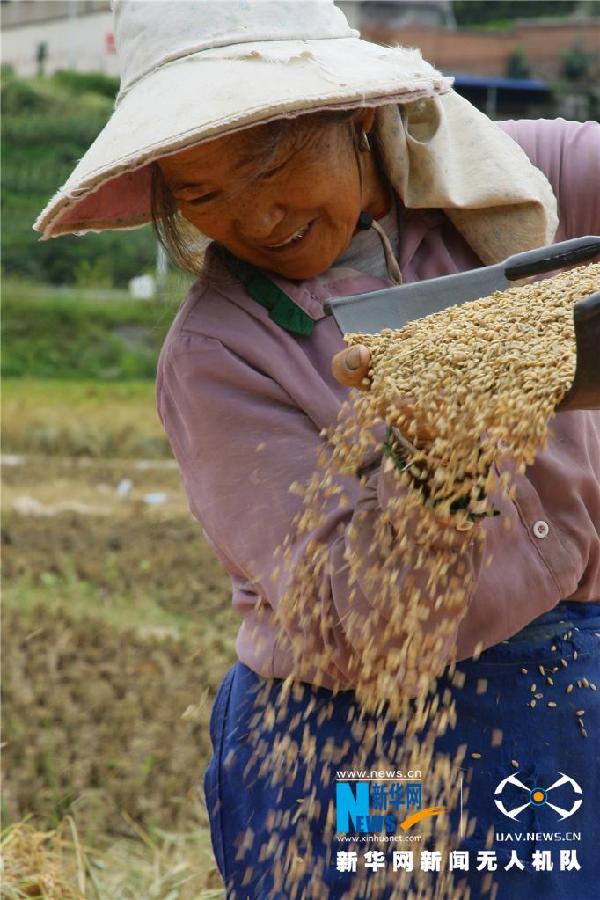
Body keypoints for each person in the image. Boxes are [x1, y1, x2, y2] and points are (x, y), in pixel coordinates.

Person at [35, 2, 599, 897]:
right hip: (354, 736)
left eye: (272, 162)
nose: (256, 217)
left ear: (357, 117)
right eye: (201, 194)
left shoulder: (507, 185)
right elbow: (359, 628)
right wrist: (437, 476)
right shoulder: (221, 355)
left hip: (560, 682)